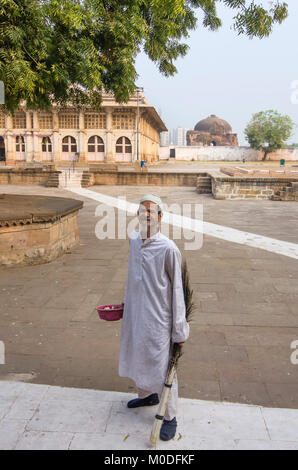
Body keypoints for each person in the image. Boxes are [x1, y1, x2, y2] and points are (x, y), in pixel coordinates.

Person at [119, 194, 190, 441]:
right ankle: (147, 395)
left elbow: (178, 291)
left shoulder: (168, 249)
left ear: (160, 217)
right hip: (137, 314)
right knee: (138, 354)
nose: (146, 215)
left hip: (160, 319)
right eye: (142, 211)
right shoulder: (133, 241)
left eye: (151, 212)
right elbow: (132, 276)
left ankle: (170, 416)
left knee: (162, 367)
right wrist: (125, 304)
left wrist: (179, 331)